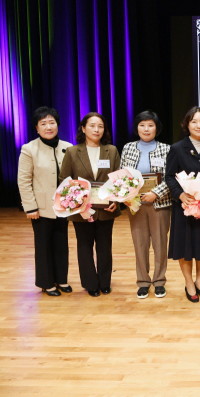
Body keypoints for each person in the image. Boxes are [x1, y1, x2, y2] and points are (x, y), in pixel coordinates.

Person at [59, 112, 121, 297]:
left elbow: (118, 180)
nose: (96, 129)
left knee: (104, 246)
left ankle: (105, 282)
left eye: (100, 126)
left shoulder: (112, 150)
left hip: (106, 208)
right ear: (83, 128)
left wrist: (116, 202)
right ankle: (90, 283)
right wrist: (76, 202)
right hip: (81, 209)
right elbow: (64, 180)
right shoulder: (72, 151)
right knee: (84, 246)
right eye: (92, 125)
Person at [165, 107, 200, 303]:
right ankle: (188, 283)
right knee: (185, 246)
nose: (199, 125)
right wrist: (180, 195)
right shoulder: (177, 148)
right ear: (187, 125)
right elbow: (169, 176)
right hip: (185, 206)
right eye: (194, 121)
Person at [18, 107, 73, 296]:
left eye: (52, 122)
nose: (48, 127)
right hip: (40, 208)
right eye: (43, 124)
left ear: (57, 124)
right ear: (36, 127)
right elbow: (23, 180)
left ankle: (62, 279)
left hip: (63, 206)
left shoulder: (68, 146)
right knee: (43, 246)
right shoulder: (29, 149)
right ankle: (47, 283)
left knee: (61, 244)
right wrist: (30, 207)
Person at [120, 110, 172, 299]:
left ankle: (159, 281)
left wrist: (155, 193)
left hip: (160, 203)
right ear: (137, 128)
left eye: (150, 125)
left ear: (156, 128)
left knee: (160, 244)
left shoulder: (166, 149)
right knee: (140, 244)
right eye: (142, 125)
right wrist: (127, 194)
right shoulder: (128, 148)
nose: (146, 129)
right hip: (135, 204)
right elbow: (122, 176)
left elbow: (171, 177)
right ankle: (142, 282)